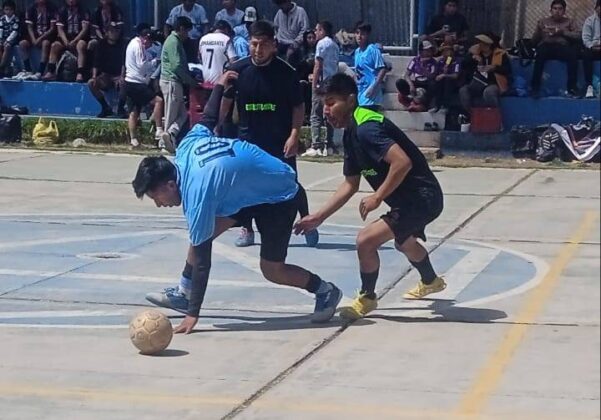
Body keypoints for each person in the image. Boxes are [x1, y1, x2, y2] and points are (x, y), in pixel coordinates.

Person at [135, 71, 343, 333]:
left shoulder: (197, 190)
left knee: (271, 269)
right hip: (248, 191)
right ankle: (183, 292)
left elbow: (202, 260)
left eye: (156, 198)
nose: (159, 204)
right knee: (201, 235)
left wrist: (193, 315)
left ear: (169, 184)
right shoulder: (186, 147)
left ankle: (325, 290)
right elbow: (209, 118)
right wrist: (220, 86)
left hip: (278, 196)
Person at [294, 74, 445, 320]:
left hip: (422, 198)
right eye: (324, 105)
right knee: (403, 241)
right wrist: (318, 217)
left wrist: (377, 196)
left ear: (351, 100)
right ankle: (431, 280)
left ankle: (367, 297)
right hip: (412, 200)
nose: (326, 111)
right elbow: (350, 184)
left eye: (331, 103)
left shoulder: (367, 128)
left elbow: (402, 163)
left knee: (365, 240)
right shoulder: (351, 133)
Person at [219, 20, 319, 248]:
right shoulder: (239, 70)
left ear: (273, 45)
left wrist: (294, 134)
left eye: (263, 44)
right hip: (248, 142)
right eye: (254, 44)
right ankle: (247, 228)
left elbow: (298, 106)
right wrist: (217, 126)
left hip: (278, 140)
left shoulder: (286, 72)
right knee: (245, 186)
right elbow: (226, 99)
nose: (258, 49)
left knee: (290, 183)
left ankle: (307, 221)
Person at [160, 17, 200, 153]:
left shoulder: (175, 41)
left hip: (174, 82)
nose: (187, 35)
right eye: (187, 31)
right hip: (172, 81)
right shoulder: (173, 42)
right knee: (171, 114)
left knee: (183, 114)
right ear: (181, 29)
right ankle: (165, 144)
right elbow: (176, 65)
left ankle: (170, 134)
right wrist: (189, 80)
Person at [124, 23, 164, 148]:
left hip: (130, 81)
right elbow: (142, 66)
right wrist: (154, 62)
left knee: (134, 111)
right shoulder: (138, 46)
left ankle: (133, 139)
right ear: (145, 38)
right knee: (158, 101)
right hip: (136, 82)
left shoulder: (132, 43)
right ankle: (158, 129)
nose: (149, 45)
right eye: (149, 41)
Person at [531, 0, 581, 98]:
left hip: (562, 47)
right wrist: (539, 29)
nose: (557, 11)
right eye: (555, 8)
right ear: (551, 10)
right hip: (546, 46)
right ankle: (535, 88)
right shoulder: (543, 21)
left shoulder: (569, 21)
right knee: (539, 54)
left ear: (564, 11)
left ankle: (572, 87)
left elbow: (578, 36)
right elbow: (534, 40)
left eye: (560, 9)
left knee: (572, 55)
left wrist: (562, 32)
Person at [303, 21, 339, 157]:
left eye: (317, 30)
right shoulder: (335, 45)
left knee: (315, 114)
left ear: (323, 31)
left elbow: (318, 64)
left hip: (322, 83)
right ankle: (329, 144)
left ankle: (316, 145)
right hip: (332, 82)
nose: (315, 33)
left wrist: (314, 83)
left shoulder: (322, 44)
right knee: (329, 114)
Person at [459, 34, 510, 118]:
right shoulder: (476, 54)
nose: (479, 45)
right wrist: (470, 55)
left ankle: (496, 117)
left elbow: (507, 70)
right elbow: (464, 65)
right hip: (477, 83)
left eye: (482, 43)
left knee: (489, 92)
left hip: (494, 83)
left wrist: (494, 68)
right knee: (463, 90)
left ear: (488, 45)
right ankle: (471, 115)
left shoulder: (500, 54)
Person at [43, 0, 90, 82]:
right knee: (55, 45)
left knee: (81, 45)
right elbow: (60, 30)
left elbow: (84, 29)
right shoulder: (61, 10)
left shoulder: (84, 10)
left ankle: (80, 73)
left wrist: (75, 40)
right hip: (65, 37)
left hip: (79, 37)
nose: (71, 1)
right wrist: (66, 41)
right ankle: (50, 71)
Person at [87, 22, 126, 118]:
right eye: (112, 31)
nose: (114, 33)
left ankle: (121, 109)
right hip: (106, 75)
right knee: (91, 83)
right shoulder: (101, 44)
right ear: (107, 32)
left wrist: (122, 76)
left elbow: (124, 63)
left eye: (116, 31)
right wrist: (94, 76)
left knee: (124, 83)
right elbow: (96, 62)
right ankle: (105, 108)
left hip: (118, 75)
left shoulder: (123, 44)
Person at [17, 0, 56, 80]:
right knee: (22, 44)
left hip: (47, 34)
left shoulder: (52, 8)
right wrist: (33, 39)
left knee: (45, 43)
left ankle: (40, 71)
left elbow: (52, 28)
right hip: (34, 34)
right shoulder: (31, 8)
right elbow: (29, 27)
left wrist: (40, 38)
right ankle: (28, 70)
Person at [354, 22, 389, 111]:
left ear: (367, 35)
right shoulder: (357, 52)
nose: (359, 36)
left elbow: (382, 69)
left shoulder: (372, 50)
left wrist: (373, 87)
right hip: (361, 93)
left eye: (362, 34)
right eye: (357, 33)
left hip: (371, 96)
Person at [198, 20, 237, 85]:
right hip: (221, 82)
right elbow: (233, 61)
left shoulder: (203, 39)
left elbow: (199, 58)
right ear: (226, 30)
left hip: (206, 80)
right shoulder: (226, 39)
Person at [272, 0, 309, 66]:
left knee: (291, 58)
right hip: (280, 43)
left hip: (294, 43)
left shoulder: (300, 12)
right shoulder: (279, 12)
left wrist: (295, 44)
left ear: (288, 2)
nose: (280, 7)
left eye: (282, 4)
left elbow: (304, 31)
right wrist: (275, 39)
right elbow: (275, 27)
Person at [404, 40, 437, 111]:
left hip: (426, 83)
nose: (429, 52)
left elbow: (432, 76)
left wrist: (424, 68)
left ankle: (427, 105)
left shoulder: (433, 62)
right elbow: (406, 75)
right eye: (427, 50)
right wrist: (411, 85)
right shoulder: (415, 60)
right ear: (422, 51)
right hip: (417, 82)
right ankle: (412, 101)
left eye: (430, 50)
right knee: (400, 82)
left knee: (433, 84)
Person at [430, 43, 461, 112]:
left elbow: (455, 76)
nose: (446, 53)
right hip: (442, 81)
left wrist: (444, 75)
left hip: (453, 81)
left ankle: (446, 106)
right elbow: (436, 73)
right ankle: (436, 105)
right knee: (436, 82)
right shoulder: (441, 61)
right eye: (444, 51)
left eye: (447, 50)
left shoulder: (457, 61)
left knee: (447, 81)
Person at [582, 0, 601, 99]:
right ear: (596, 8)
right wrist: (595, 46)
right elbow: (586, 40)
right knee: (586, 54)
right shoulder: (589, 21)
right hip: (593, 49)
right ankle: (589, 86)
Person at [0, 0, 20, 78]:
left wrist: (8, 40)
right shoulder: (2, 19)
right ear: (4, 10)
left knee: (7, 46)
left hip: (13, 39)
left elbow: (15, 32)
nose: (8, 11)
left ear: (13, 10)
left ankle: (2, 67)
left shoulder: (16, 19)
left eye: (10, 9)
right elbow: (0, 29)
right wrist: (0, 39)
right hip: (3, 38)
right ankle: (2, 65)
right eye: (6, 9)